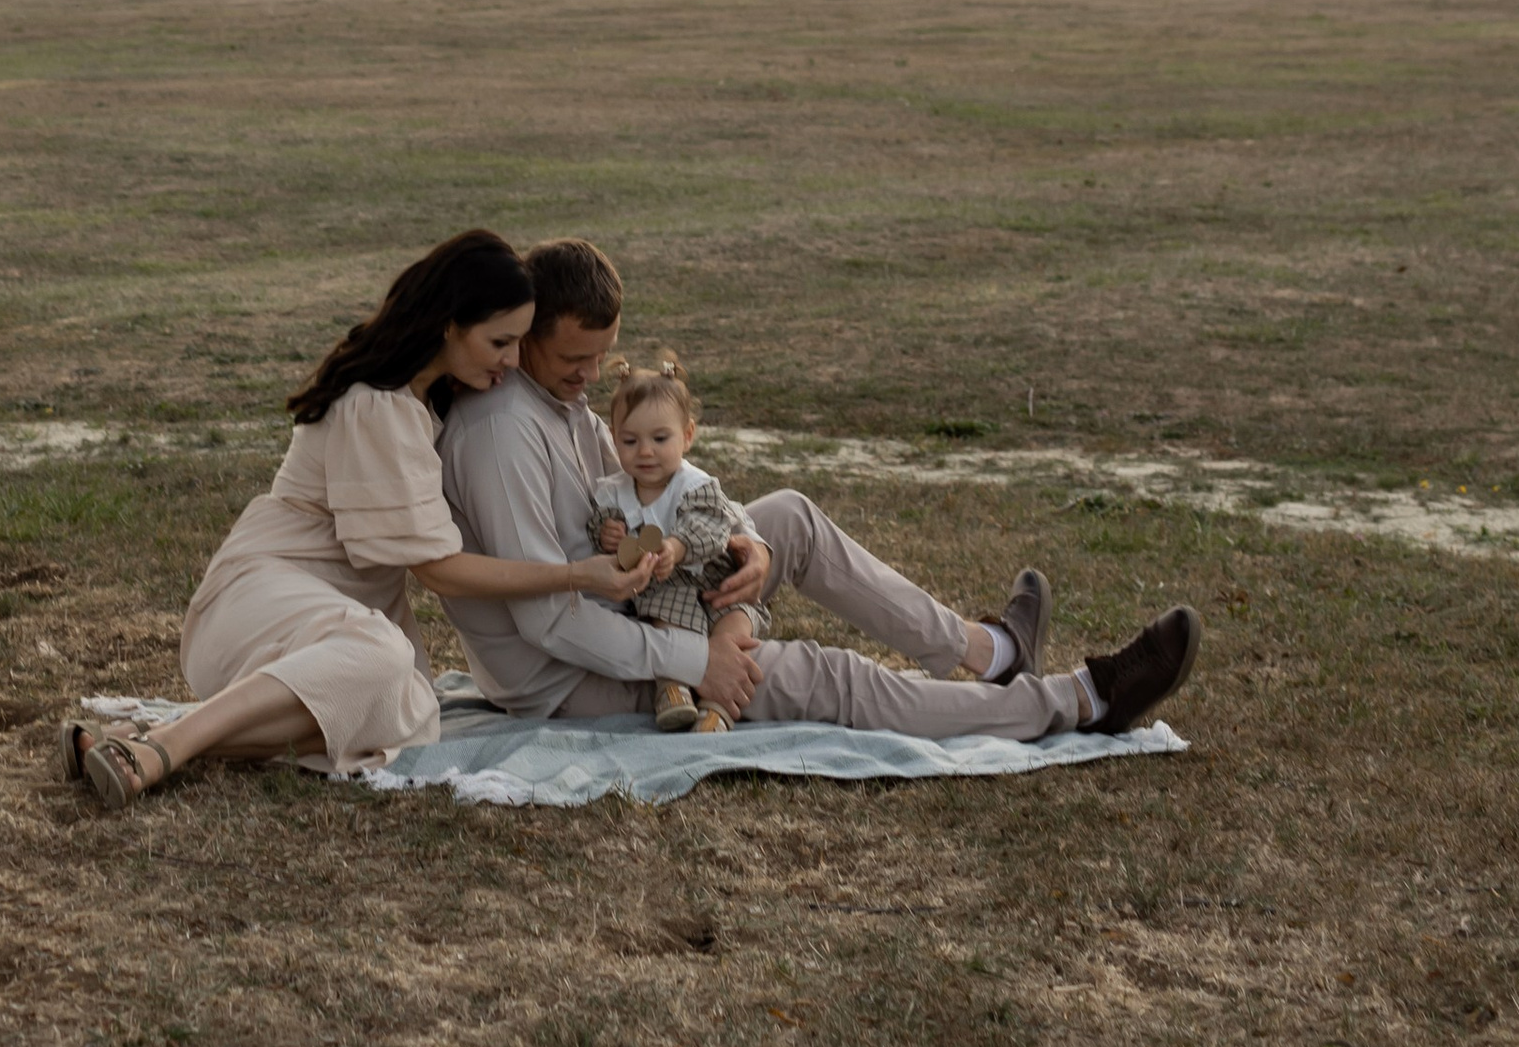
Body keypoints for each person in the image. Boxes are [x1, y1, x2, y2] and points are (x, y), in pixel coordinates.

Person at [436, 237, 1200, 742]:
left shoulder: (561, 401)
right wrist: (697, 661)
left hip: (639, 599)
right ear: (529, 332)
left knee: (787, 520)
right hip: (575, 680)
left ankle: (993, 650)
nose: (592, 376)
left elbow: (652, 492)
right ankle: (1080, 702)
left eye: (602, 357)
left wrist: (749, 545)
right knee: (818, 676)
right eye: (576, 357)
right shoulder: (501, 432)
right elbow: (549, 624)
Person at [59, 227, 675, 810]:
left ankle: (155, 735)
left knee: (409, 712)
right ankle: (163, 751)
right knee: (381, 658)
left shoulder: (431, 395)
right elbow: (440, 572)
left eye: (519, 343)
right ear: (447, 326)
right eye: (499, 343)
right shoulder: (375, 404)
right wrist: (578, 577)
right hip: (264, 600)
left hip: (340, 618)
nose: (512, 362)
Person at [586, 353, 770, 733]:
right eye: (630, 440)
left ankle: (718, 708)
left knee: (736, 624)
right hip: (666, 585)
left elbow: (711, 527)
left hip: (717, 580)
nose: (646, 451)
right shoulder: (614, 491)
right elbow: (600, 522)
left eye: (660, 438)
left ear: (687, 435)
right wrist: (608, 533)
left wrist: (678, 547)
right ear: (613, 436)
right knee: (665, 617)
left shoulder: (695, 485)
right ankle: (672, 689)